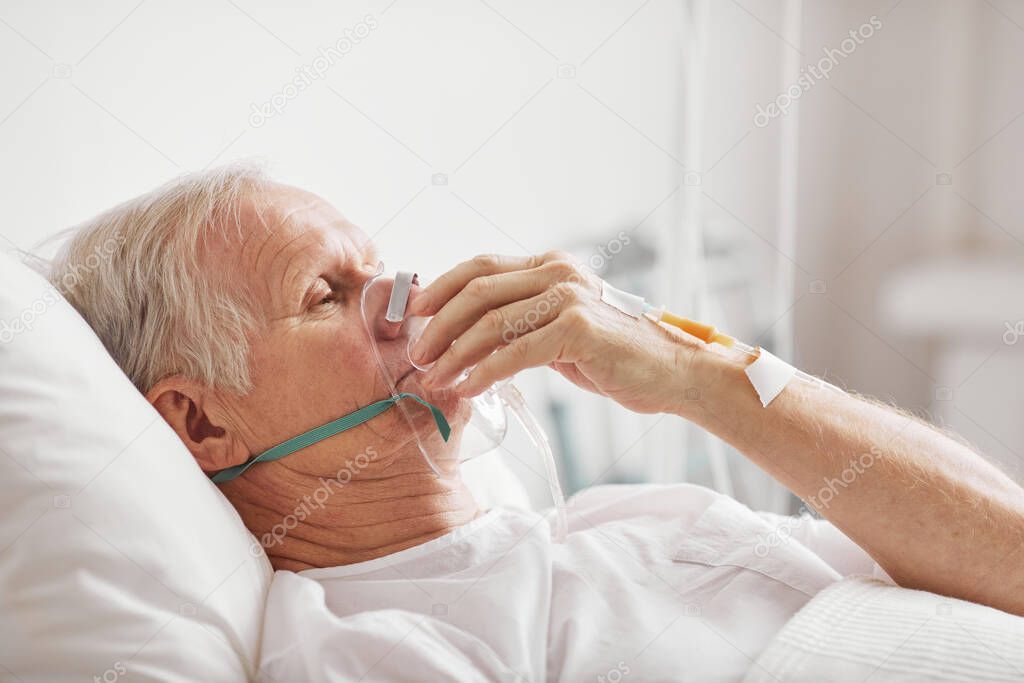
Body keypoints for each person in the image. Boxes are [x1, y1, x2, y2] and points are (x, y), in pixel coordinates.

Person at [48, 164, 1024, 680]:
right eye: (325, 293)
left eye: (384, 261)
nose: (405, 293)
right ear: (200, 422)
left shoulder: (629, 522)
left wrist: (706, 375)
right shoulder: (369, 643)